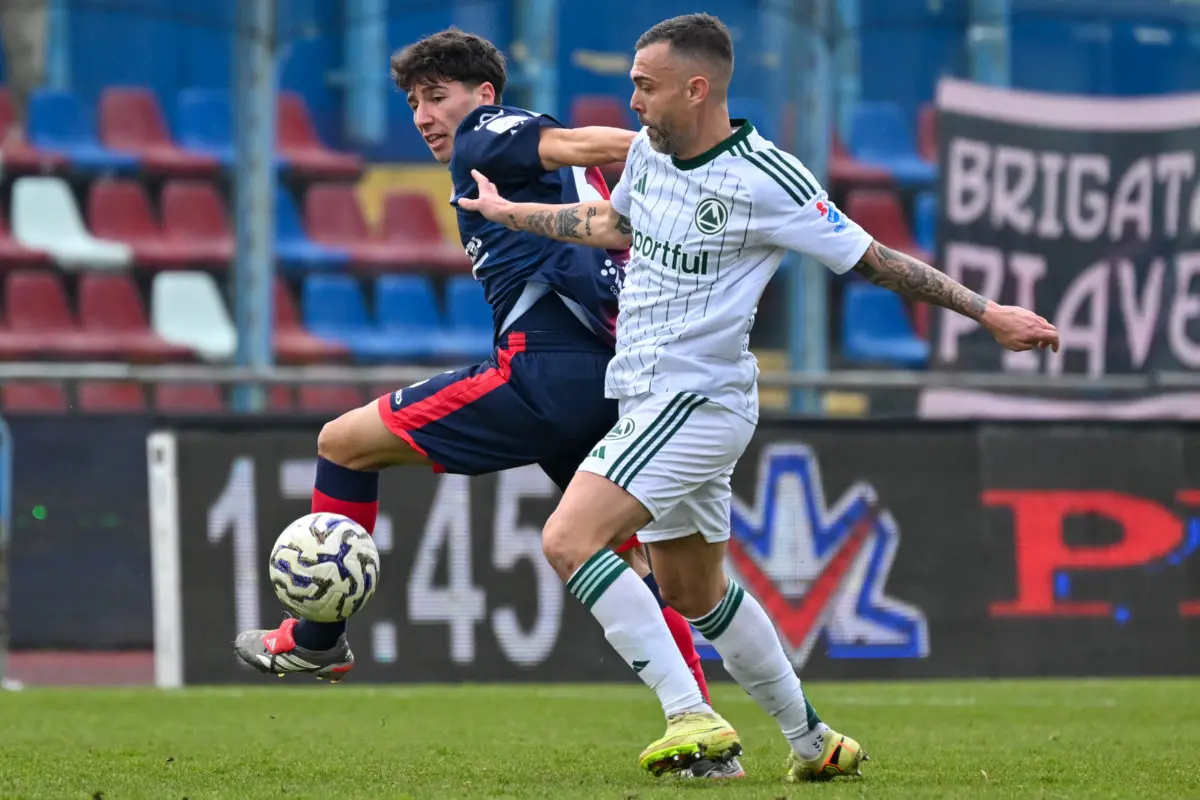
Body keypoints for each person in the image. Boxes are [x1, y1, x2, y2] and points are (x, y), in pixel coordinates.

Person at [459, 12, 1060, 782]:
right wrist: (511, 215)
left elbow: (873, 259)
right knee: (693, 591)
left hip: (692, 397)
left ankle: (690, 714)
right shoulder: (647, 154)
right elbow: (611, 222)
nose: (632, 102)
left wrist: (987, 312)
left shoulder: (767, 178)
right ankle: (814, 742)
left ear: (696, 88)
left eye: (646, 86)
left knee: (569, 539)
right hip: (647, 398)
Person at [232, 27, 744, 780]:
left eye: (437, 96)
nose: (424, 116)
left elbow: (578, 142)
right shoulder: (536, 174)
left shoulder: (487, 133)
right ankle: (701, 732)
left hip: (541, 374)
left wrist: (684, 151)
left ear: (484, 95)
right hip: (608, 382)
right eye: (414, 102)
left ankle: (314, 641)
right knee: (625, 557)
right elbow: (582, 168)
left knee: (342, 443)